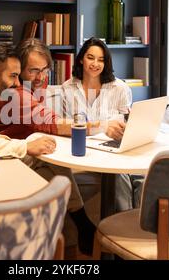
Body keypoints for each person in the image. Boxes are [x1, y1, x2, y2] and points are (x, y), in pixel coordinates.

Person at [0, 38, 98, 255]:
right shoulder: (15, 93)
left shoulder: (35, 85)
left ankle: (71, 235)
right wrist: (100, 126)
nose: (40, 77)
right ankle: (83, 224)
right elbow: (49, 122)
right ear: (20, 70)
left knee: (53, 169)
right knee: (53, 161)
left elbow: (44, 121)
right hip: (5, 157)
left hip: (28, 152)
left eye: (45, 70)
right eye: (33, 71)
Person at [61, 37, 141, 212]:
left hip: (114, 149)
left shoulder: (120, 88)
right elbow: (67, 126)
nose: (95, 64)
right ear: (81, 59)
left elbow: (127, 123)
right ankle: (121, 223)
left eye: (101, 59)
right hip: (83, 150)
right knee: (119, 174)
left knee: (129, 175)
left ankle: (129, 223)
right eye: (90, 57)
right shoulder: (68, 87)